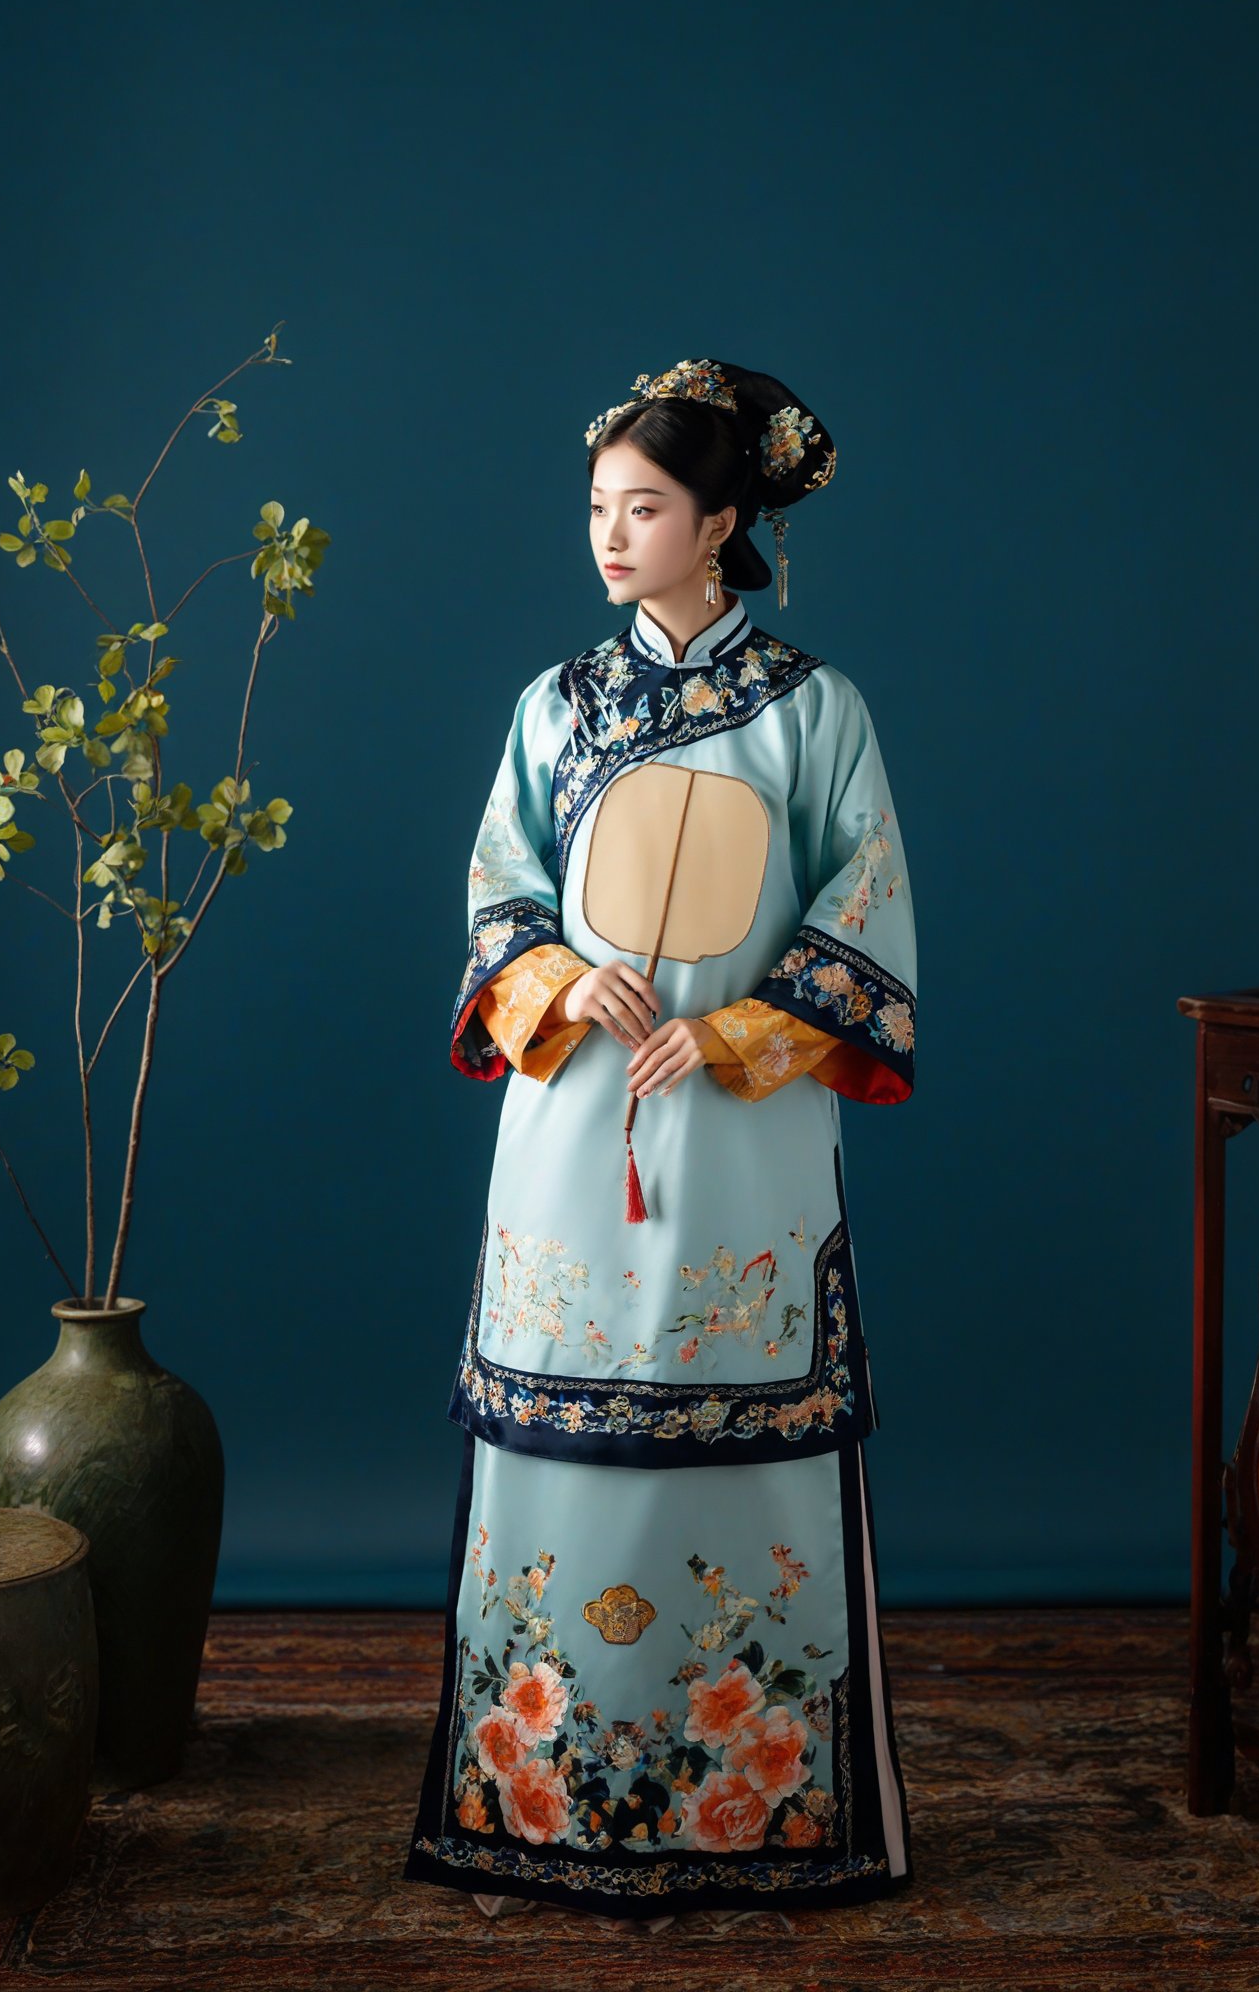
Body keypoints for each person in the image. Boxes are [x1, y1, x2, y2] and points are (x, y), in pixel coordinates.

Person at [403, 358, 917, 1933]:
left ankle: (763, 1803)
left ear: (723, 521)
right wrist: (561, 974)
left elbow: (868, 918)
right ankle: (537, 1797)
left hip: (743, 1135)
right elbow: (498, 901)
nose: (611, 537)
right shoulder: (551, 709)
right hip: (573, 1127)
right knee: (558, 1452)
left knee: (752, 1445)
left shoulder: (816, 712)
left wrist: (748, 1027)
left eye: (643, 509)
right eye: (598, 511)